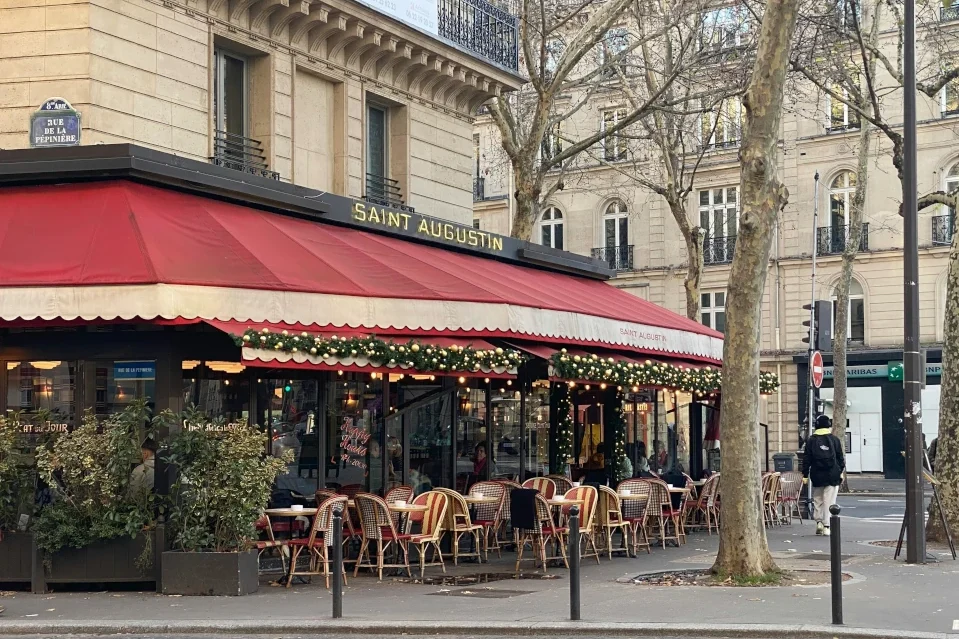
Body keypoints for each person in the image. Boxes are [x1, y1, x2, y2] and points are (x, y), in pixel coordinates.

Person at [802, 415, 845, 536]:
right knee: (829, 501)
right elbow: (840, 458)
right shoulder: (834, 440)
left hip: (817, 474)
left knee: (818, 499)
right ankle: (827, 525)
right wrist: (840, 471)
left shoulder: (811, 440)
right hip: (832, 474)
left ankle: (818, 522)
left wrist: (805, 475)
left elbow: (806, 459)